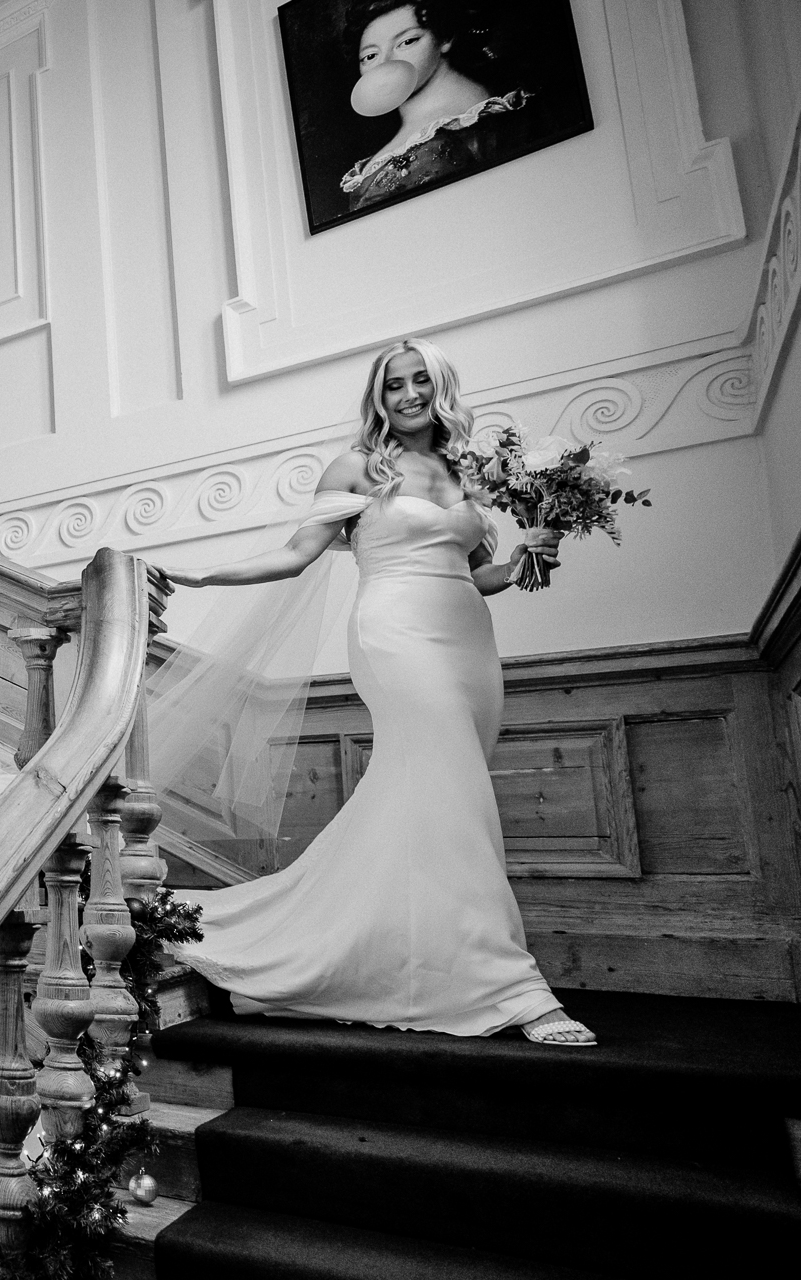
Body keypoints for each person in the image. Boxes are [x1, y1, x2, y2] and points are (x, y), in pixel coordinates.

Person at [158, 337, 595, 1046]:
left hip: (468, 641)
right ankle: (512, 985)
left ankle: (410, 958)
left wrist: (523, 561)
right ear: (379, 397)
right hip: (395, 633)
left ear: (441, 387)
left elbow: (474, 569)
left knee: (439, 798)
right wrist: (208, 576)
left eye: (422, 380)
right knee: (453, 792)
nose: (409, 394)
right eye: (395, 385)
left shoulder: (468, 473)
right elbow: (299, 553)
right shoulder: (360, 466)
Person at [339, 2, 548, 213]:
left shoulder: (469, 120)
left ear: (445, 37)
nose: (385, 63)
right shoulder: (415, 133)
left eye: (407, 42)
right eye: (370, 56)